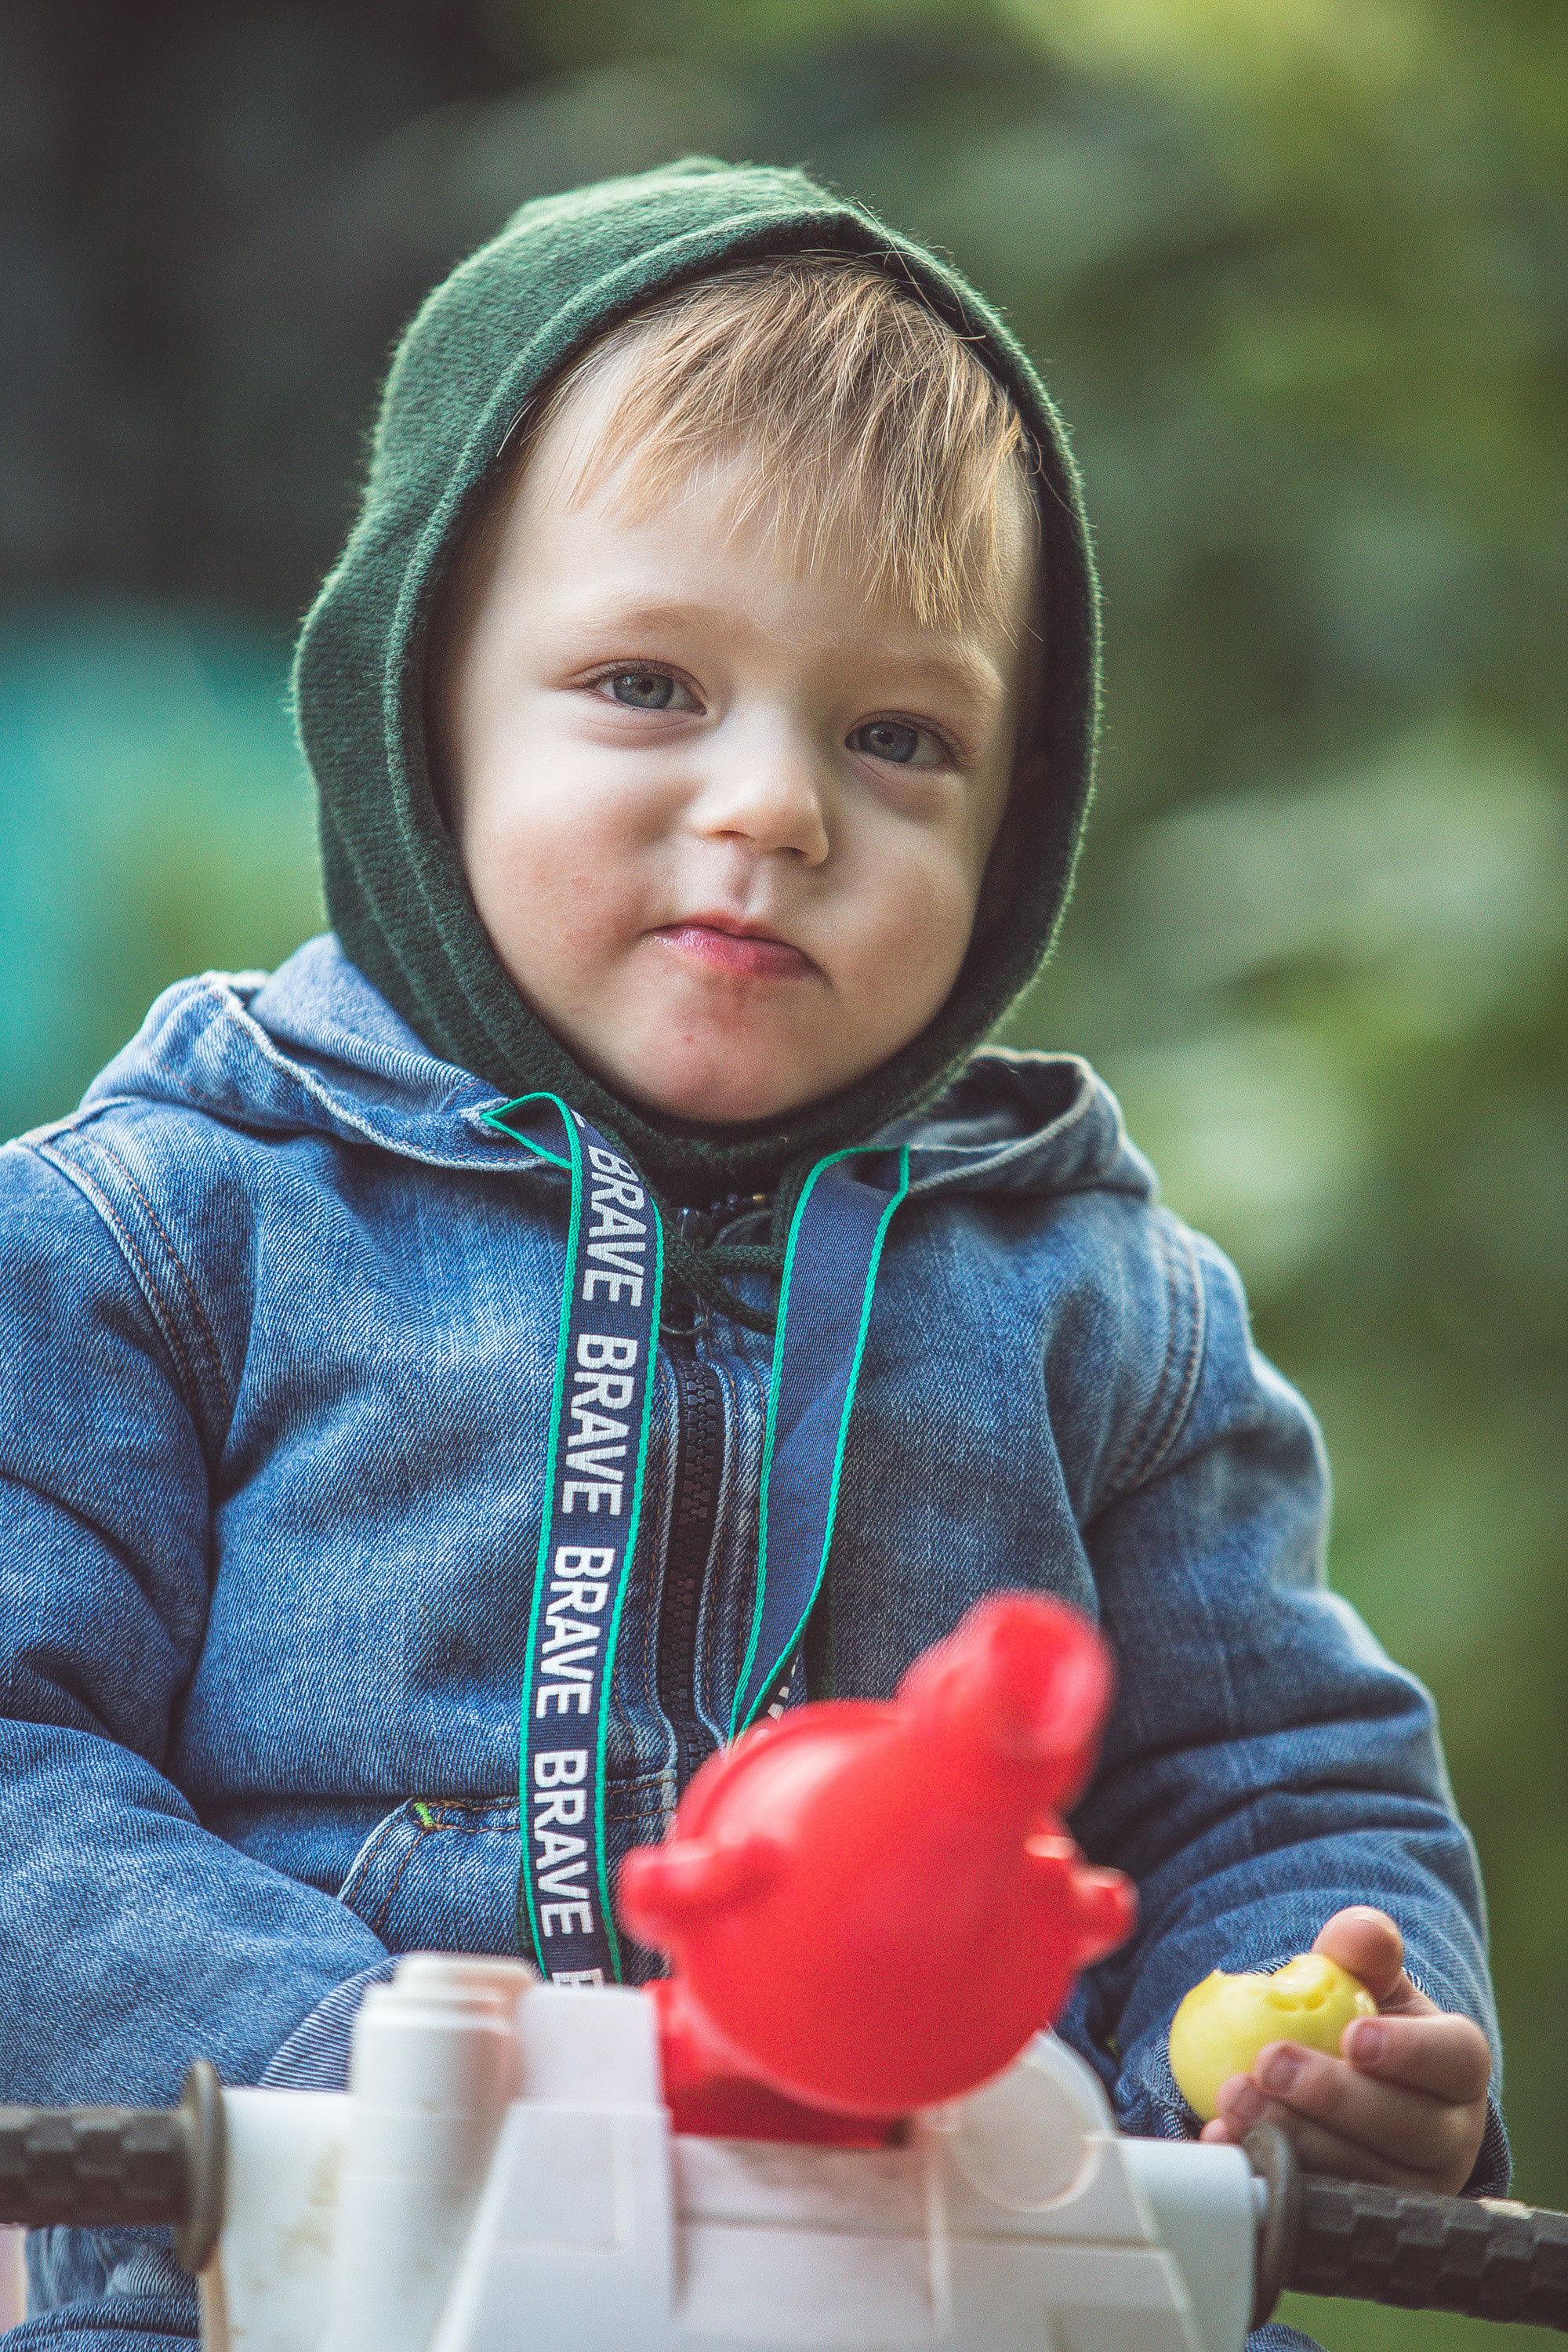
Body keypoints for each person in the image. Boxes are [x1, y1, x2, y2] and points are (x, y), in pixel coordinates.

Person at [0, 162, 1501, 2352]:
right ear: (417, 705)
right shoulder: (163, 1228)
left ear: (1016, 822)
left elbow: (1279, 1783)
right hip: (301, 2274)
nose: (778, 807)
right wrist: (352, 2059)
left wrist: (1323, 2031)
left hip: (974, 2286)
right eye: (643, 683)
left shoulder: (1095, 1298)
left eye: (901, 737)